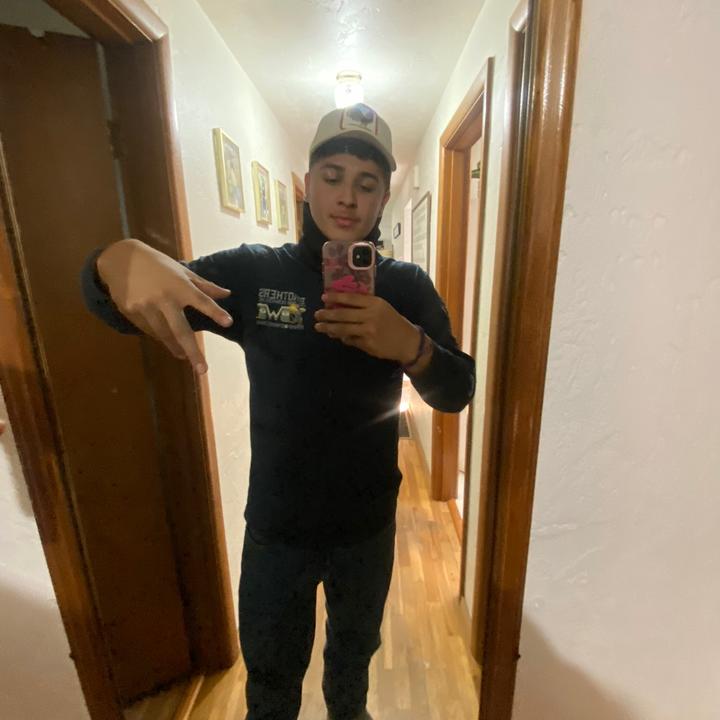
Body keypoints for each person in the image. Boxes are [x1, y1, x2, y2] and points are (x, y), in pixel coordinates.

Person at [80, 103, 475, 720]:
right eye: (333, 176)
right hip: (277, 527)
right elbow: (123, 307)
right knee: (270, 681)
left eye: (367, 183)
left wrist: (412, 346)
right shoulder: (255, 273)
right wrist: (113, 260)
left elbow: (457, 390)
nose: (347, 197)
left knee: (353, 666)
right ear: (309, 182)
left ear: (382, 198)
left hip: (366, 527)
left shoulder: (406, 286)